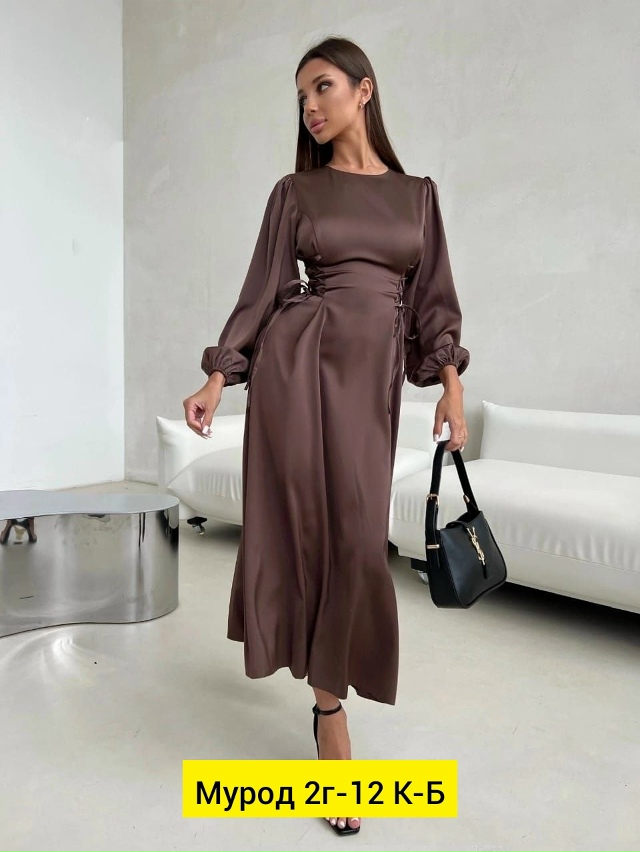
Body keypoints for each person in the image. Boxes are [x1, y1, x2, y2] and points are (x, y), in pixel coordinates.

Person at [183, 35, 470, 836]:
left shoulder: (417, 196)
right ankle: (330, 713)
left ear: (363, 90)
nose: (309, 106)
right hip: (298, 375)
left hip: (370, 388)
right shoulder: (296, 193)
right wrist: (218, 376)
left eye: (323, 87)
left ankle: (328, 694)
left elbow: (435, 304)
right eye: (301, 95)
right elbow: (260, 290)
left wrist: (451, 388)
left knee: (357, 539)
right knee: (312, 535)